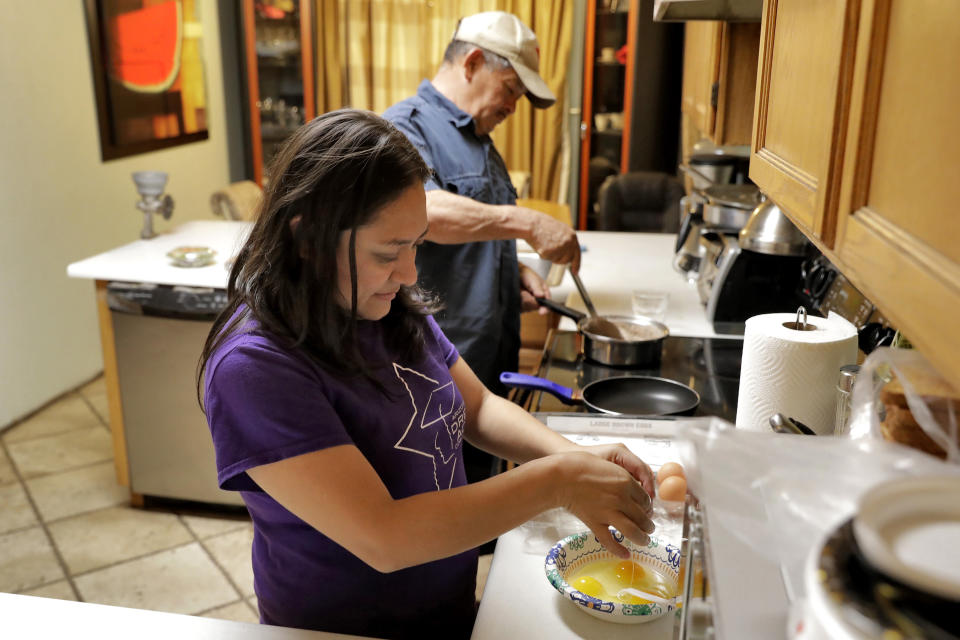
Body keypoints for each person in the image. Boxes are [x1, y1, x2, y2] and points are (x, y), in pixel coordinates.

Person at [198, 109, 655, 640]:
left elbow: (478, 408)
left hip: (445, 612)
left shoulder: (382, 305)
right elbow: (385, 535)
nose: (410, 272)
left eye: (417, 243)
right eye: (389, 252)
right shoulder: (256, 366)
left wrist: (573, 459)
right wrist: (557, 481)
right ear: (307, 238)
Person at [383, 11, 580, 484]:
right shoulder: (405, 127)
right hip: (431, 365)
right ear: (472, 62)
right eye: (511, 88)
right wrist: (528, 222)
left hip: (488, 359)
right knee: (439, 499)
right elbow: (425, 214)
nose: (514, 105)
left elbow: (479, 235)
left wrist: (512, 274)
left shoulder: (482, 143)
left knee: (477, 493)